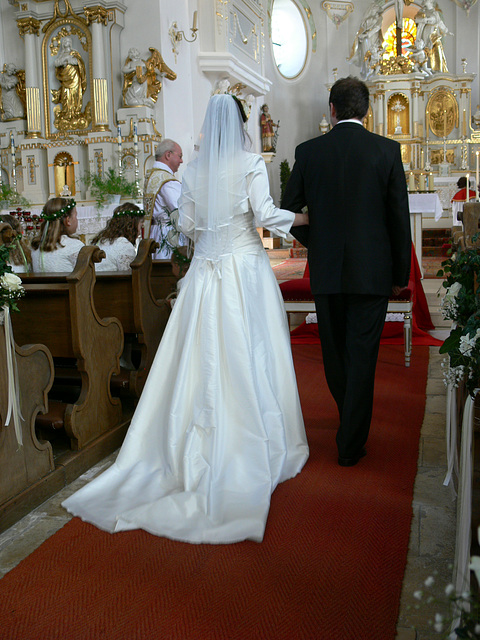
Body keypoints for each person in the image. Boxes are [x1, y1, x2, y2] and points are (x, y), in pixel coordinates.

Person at [62, 93, 309, 544]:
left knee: (195, 360)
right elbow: (263, 214)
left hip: (205, 273)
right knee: (253, 352)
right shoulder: (251, 162)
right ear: (240, 124)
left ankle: (182, 443)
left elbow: (188, 226)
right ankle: (256, 440)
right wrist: (303, 216)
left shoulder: (193, 171)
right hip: (244, 269)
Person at [282, 76, 411, 467]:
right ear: (367, 111)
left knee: (335, 354)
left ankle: (349, 432)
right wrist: (399, 275)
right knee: (362, 355)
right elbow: (398, 219)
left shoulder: (308, 152)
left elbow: (291, 215)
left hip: (328, 271)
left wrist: (319, 246)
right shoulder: (387, 151)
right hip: (372, 273)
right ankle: (351, 438)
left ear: (332, 110)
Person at [143, 139, 187, 259]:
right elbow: (181, 210)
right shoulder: (167, 181)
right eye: (180, 156)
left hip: (156, 232)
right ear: (168, 155)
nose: (181, 161)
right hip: (167, 235)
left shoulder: (153, 175)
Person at [30, 198, 84, 272]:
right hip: (67, 284)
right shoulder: (75, 246)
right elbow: (87, 276)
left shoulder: (35, 246)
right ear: (68, 220)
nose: (76, 219)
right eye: (75, 216)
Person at [90, 203, 144, 271]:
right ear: (132, 226)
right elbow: (129, 276)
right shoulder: (124, 245)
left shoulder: (102, 240)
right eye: (140, 225)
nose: (139, 232)